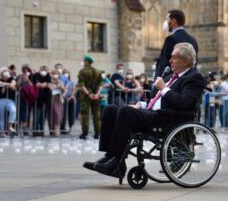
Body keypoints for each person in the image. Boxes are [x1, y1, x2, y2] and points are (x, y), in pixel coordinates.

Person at [83, 43, 204, 177]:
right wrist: (141, 105)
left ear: (186, 60)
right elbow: (157, 100)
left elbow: (184, 102)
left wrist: (164, 88)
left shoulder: (194, 77)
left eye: (174, 58)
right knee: (110, 109)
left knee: (125, 112)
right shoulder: (171, 76)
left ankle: (116, 161)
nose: (170, 61)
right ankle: (109, 156)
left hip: (168, 119)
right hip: (154, 113)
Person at [154, 9, 198, 79]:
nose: (166, 22)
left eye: (167, 19)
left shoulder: (171, 39)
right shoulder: (193, 40)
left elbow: (166, 64)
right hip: (189, 79)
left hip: (172, 82)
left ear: (173, 21)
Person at [77, 55, 103, 139]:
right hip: (96, 96)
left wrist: (88, 94)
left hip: (86, 96)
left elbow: (81, 85)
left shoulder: (82, 71)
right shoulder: (98, 71)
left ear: (87, 62)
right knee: (97, 115)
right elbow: (101, 84)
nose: (83, 62)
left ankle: (85, 133)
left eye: (84, 61)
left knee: (85, 115)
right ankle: (97, 133)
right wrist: (97, 94)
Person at [0, 68, 18, 134]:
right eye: (4, 72)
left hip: (10, 100)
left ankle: (10, 126)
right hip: (1, 100)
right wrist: (9, 85)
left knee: (13, 110)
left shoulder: (11, 79)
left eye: (6, 72)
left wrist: (5, 85)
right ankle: (1, 132)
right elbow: (0, 83)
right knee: (1, 115)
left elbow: (13, 84)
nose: (5, 73)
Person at [32, 66, 52, 136]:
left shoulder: (48, 75)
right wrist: (45, 84)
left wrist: (45, 84)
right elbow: (37, 84)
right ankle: (36, 130)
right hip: (38, 98)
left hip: (46, 98)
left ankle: (42, 130)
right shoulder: (36, 75)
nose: (43, 70)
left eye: (45, 69)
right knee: (37, 114)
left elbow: (50, 85)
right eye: (42, 69)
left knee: (43, 115)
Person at [49, 70, 65, 136]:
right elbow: (50, 88)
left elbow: (63, 90)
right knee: (54, 114)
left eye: (56, 74)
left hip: (59, 99)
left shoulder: (60, 81)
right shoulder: (50, 82)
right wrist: (55, 85)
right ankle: (54, 129)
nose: (55, 75)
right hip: (52, 99)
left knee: (59, 115)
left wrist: (58, 83)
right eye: (53, 74)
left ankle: (57, 128)